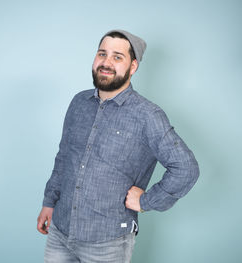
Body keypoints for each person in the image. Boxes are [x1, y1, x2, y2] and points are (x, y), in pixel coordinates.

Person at [37, 29, 199, 263]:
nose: (106, 62)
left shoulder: (147, 115)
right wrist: (49, 202)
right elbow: (64, 157)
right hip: (60, 233)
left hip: (107, 243)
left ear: (133, 67)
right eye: (102, 54)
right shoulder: (79, 102)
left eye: (117, 57)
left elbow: (186, 168)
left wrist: (146, 201)